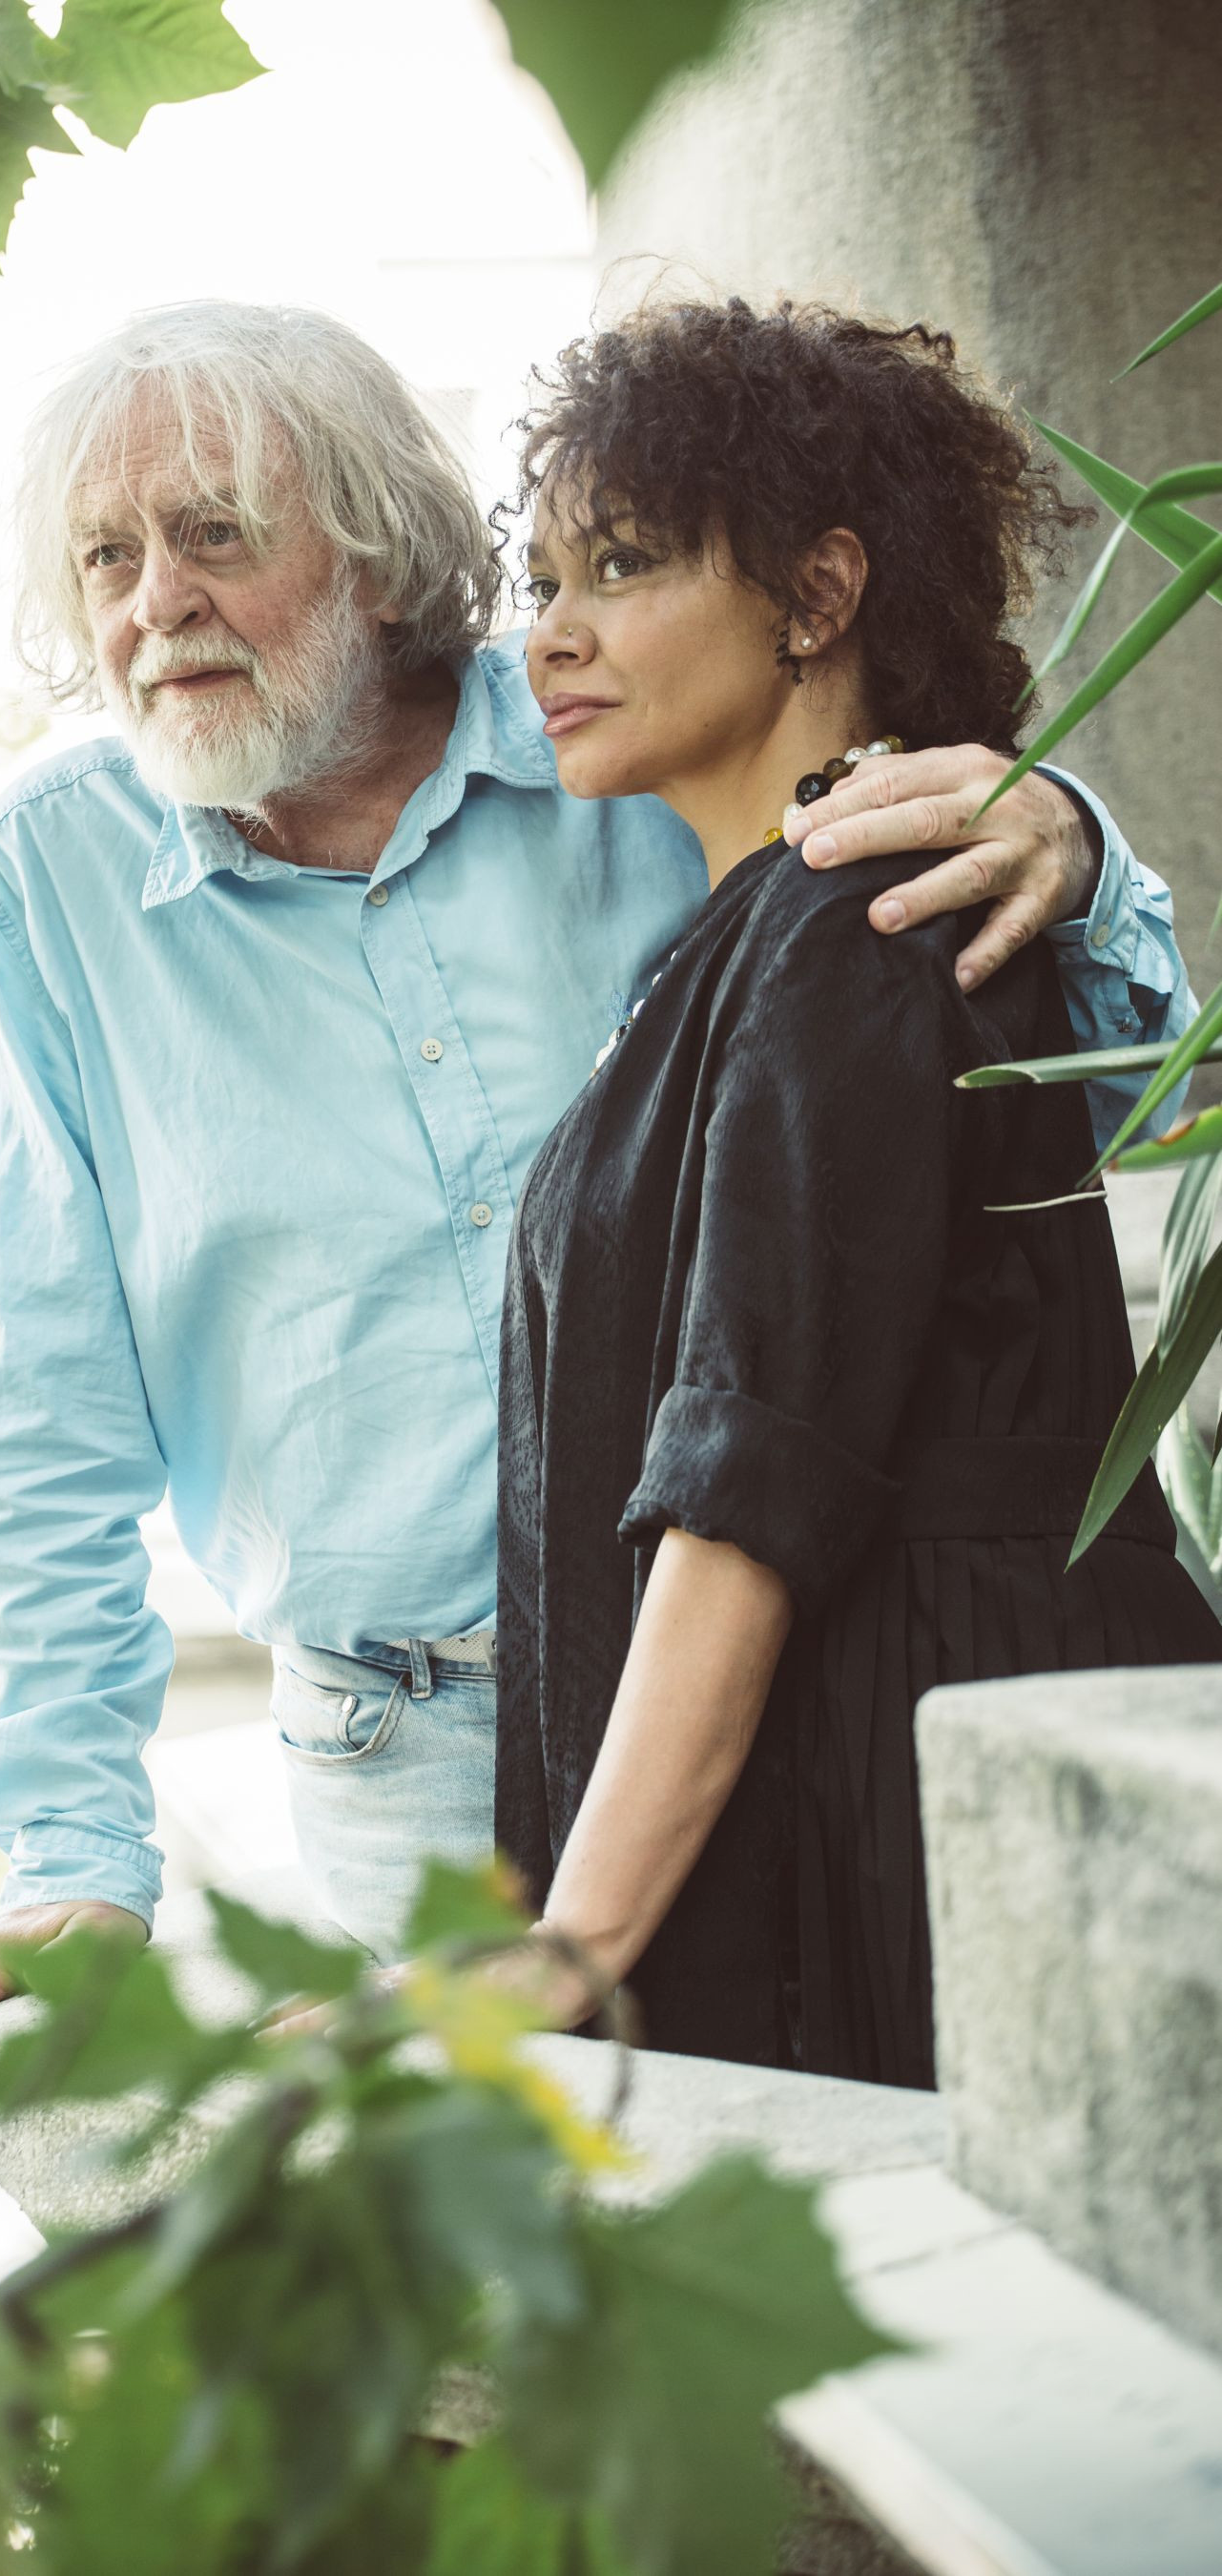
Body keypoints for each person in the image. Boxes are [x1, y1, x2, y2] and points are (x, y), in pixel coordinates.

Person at [0, 299, 1192, 2153]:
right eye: (105, 558)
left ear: (375, 551)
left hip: (809, 1665)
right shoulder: (45, 892)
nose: (153, 604)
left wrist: (1066, 843)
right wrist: (71, 1856)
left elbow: (1058, 1077)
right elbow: (19, 1421)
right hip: (415, 1750)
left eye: (214, 532)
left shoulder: (647, 738)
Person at [493, 295, 1222, 2090]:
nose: (551, 632)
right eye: (541, 580)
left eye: (622, 563)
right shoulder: (759, 932)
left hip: (920, 1773)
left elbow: (750, 1483)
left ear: (818, 594)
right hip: (876, 1751)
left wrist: (553, 1960)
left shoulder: (861, 911)